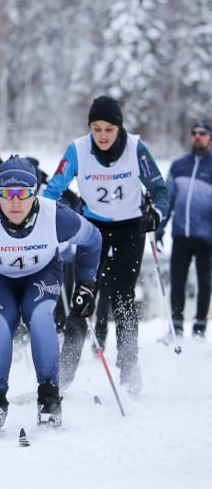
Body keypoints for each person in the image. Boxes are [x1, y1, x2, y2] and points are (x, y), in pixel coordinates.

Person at [0, 157, 102, 432]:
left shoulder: (56, 215)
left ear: (35, 192)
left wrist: (86, 285)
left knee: (39, 317)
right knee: (0, 324)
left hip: (41, 275)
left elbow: (93, 238)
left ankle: (49, 398)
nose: (15, 203)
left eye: (23, 194)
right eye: (7, 194)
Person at [44, 96, 169, 394]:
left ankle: (128, 371)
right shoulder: (77, 149)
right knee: (83, 298)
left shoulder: (136, 149)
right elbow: (52, 190)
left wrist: (156, 215)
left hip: (130, 228)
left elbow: (159, 189)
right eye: (96, 128)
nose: (101, 135)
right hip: (93, 229)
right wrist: (53, 217)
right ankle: (64, 374)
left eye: (108, 129)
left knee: (124, 297)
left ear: (119, 128)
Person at [161, 119, 212, 338]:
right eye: (194, 133)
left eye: (202, 133)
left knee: (205, 280)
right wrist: (159, 227)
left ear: (209, 137)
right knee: (178, 279)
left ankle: (200, 327)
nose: (197, 136)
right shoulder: (179, 165)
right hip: (181, 233)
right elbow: (167, 198)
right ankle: (177, 324)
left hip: (206, 236)